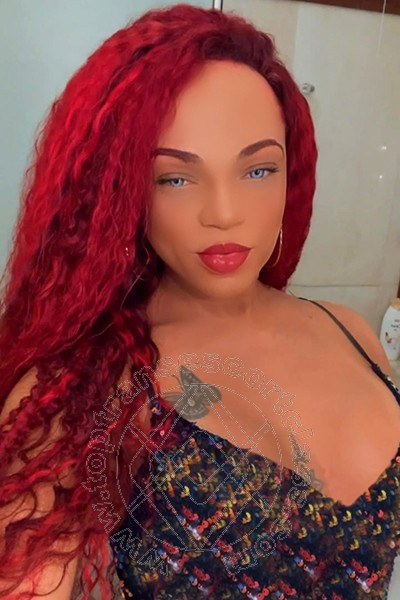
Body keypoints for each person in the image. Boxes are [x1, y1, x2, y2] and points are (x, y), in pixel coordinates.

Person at [0, 3, 399, 599]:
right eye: (176, 178)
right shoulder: (80, 387)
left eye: (258, 170)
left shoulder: (352, 333)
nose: (224, 213)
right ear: (122, 192)